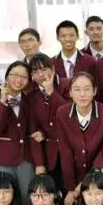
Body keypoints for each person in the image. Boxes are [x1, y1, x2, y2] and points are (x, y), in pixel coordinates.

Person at [55, 72, 103, 205]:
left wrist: (84, 183)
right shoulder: (62, 113)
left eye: (87, 89)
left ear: (94, 91)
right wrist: (71, 188)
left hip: (99, 174)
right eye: (77, 89)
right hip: (73, 174)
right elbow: (65, 152)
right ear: (70, 93)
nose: (82, 94)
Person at [0, 60, 34, 203]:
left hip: (25, 158)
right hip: (2, 158)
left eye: (23, 77)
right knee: (4, 200)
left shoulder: (28, 99)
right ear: (6, 76)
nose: (19, 80)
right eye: (14, 75)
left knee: (27, 198)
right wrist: (2, 102)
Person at [27, 53, 70, 191]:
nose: (40, 74)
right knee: (53, 192)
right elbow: (34, 130)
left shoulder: (67, 84)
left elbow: (70, 115)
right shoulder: (31, 95)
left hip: (71, 150)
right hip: (50, 153)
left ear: (53, 68)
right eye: (35, 71)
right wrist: (39, 163)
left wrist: (51, 92)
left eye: (44, 69)